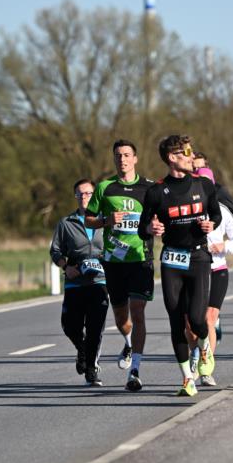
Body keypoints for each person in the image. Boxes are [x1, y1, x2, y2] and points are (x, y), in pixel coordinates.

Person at [138, 134, 221, 397]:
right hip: (172, 260)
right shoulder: (156, 191)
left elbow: (216, 214)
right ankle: (187, 378)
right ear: (172, 158)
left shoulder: (204, 185)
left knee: (197, 320)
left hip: (198, 257)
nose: (191, 156)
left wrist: (212, 224)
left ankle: (205, 345)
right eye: (186, 152)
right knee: (176, 320)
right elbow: (142, 228)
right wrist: (151, 227)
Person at [85, 140, 154, 392]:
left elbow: (159, 218)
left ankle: (135, 371)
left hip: (140, 259)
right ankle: (128, 342)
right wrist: (105, 220)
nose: (122, 159)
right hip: (114, 262)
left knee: (138, 312)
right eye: (118, 156)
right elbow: (89, 219)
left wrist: (155, 228)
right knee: (122, 318)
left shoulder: (149, 188)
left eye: (126, 155)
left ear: (135, 158)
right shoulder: (105, 187)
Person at [185, 166, 233, 386]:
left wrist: (224, 246)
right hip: (191, 270)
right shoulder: (186, 209)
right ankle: (195, 351)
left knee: (209, 318)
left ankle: (206, 365)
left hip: (217, 270)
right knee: (191, 325)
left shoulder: (222, 210)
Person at [50, 179, 109, 386]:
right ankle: (82, 351)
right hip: (75, 283)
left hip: (100, 282)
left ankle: (91, 370)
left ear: (95, 196)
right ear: (75, 197)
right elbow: (55, 250)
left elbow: (117, 246)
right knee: (70, 326)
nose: (84, 197)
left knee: (95, 328)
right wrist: (67, 267)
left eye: (88, 193)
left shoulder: (105, 220)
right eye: (79, 194)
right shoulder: (67, 223)